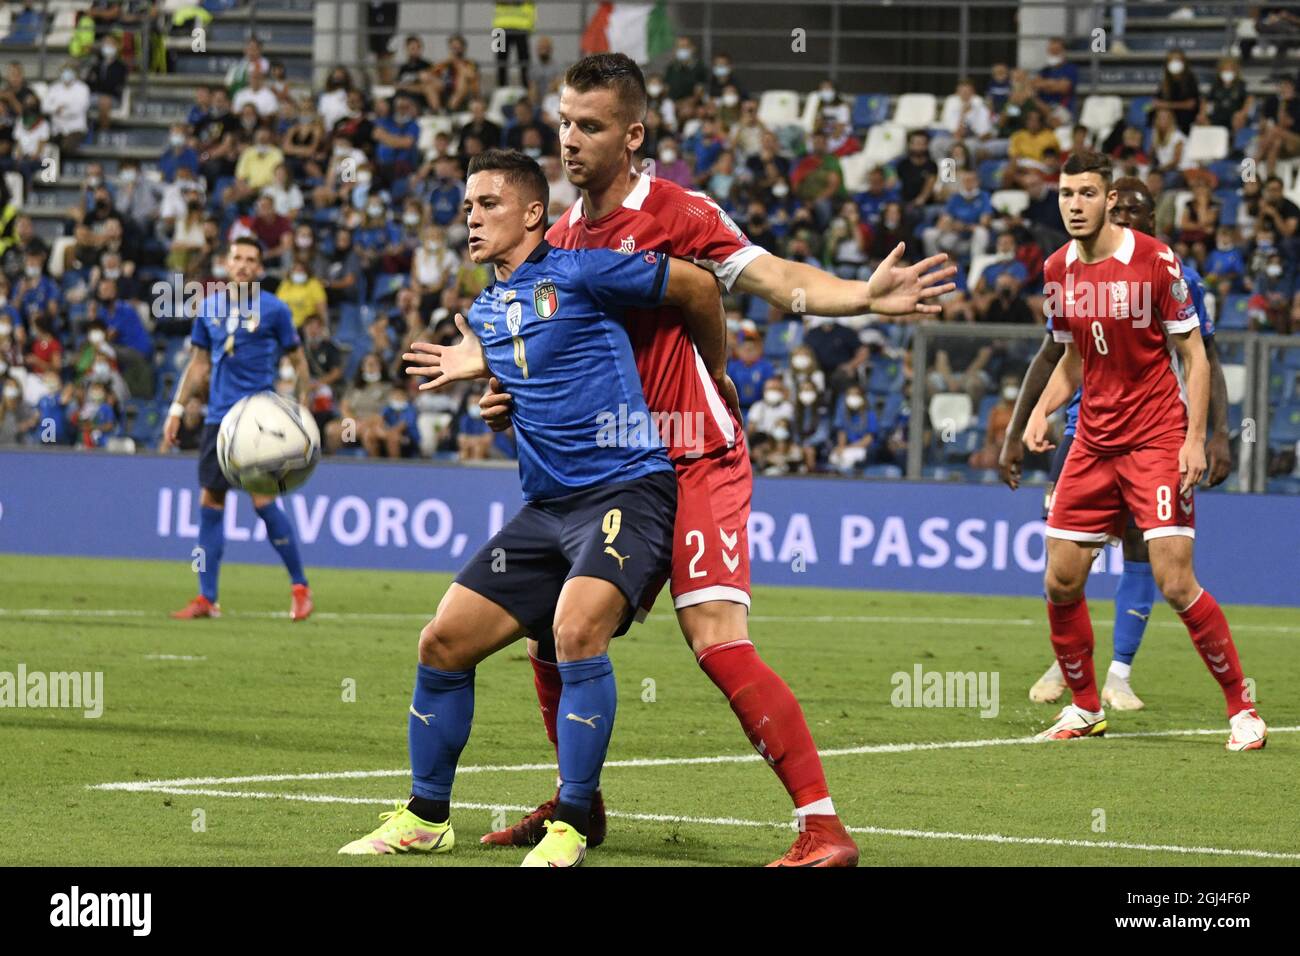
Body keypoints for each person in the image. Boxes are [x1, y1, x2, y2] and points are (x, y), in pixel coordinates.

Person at [474, 53, 955, 865]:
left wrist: (859, 296)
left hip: (695, 456)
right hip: (608, 476)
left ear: (633, 135)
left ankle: (823, 826)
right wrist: (507, 396)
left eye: (589, 126)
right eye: (563, 122)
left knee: (715, 636)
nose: (570, 141)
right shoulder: (552, 238)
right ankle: (576, 807)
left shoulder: (677, 211)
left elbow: (769, 277)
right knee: (553, 635)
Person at [337, 147, 726, 866]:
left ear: (532, 212)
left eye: (488, 205)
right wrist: (487, 375)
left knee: (576, 631)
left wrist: (717, 376)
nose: (472, 219)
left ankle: (573, 822)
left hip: (628, 491)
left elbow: (698, 286)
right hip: (547, 510)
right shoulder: (485, 309)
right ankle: (426, 816)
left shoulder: (580, 268)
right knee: (442, 642)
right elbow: (534, 373)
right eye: (466, 209)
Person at [1015, 152, 1263, 751]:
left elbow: (1195, 355)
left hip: (1154, 439)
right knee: (1061, 579)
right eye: (1066, 193)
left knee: (1176, 581)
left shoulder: (1156, 262)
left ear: (1108, 201)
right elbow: (1073, 358)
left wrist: (1195, 439)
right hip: (1093, 443)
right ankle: (1084, 708)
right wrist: (1040, 412)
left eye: (1086, 193)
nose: (1074, 204)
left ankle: (1242, 710)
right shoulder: (1057, 269)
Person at [161, 237, 315, 623]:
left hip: (259, 421)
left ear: (260, 268)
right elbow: (198, 365)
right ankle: (207, 598)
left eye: (251, 259)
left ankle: (300, 588)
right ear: (225, 264)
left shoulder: (275, 310)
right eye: (238, 258)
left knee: (264, 504)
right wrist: (177, 408)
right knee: (210, 504)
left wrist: (300, 411)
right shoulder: (209, 308)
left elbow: (299, 364)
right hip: (218, 422)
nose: (244, 265)